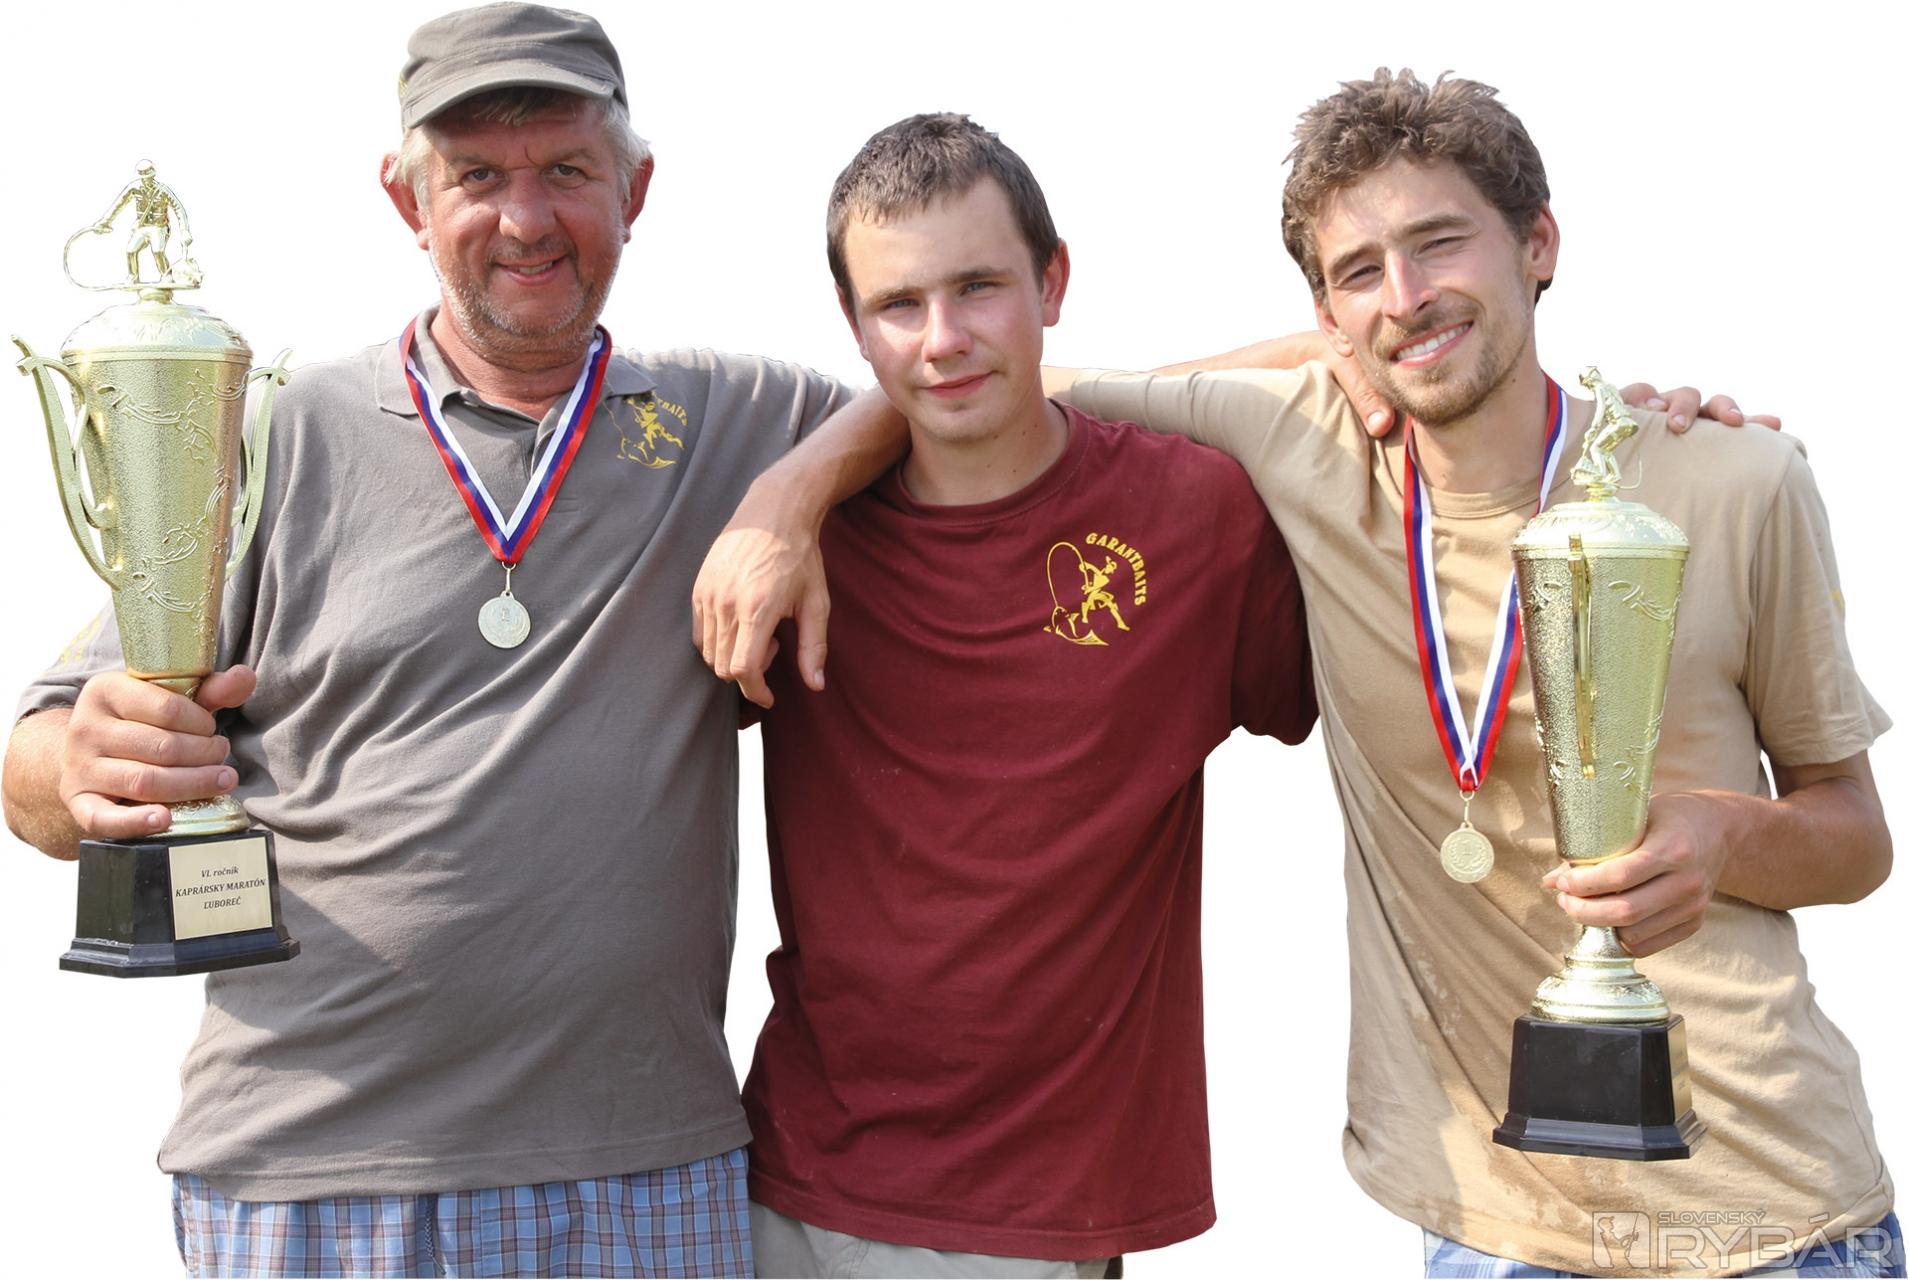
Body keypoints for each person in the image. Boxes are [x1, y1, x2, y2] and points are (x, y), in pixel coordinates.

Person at [695, 74, 1897, 1277]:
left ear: (1538, 242)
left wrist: (1722, 836)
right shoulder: (1305, 457)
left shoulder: (1729, 479)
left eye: (1439, 243)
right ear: (1324, 314)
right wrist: (787, 492)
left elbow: (1855, 833)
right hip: (1487, 1218)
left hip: (1766, 1210)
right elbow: (990, 388)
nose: (1406, 296)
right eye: (1359, 270)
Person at [0, 4, 898, 1276]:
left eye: (567, 169)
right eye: (476, 175)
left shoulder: (734, 420)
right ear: (406, 200)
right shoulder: (272, 432)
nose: (526, 219)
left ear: (636, 190)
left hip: (640, 1173)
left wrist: (794, 492)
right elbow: (34, 768)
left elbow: (959, 388)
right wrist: (83, 761)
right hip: (315, 1181)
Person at [733, 114, 1314, 1278]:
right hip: (786, 1180)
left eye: (979, 287)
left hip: (1035, 1210)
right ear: (852, 323)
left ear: (1053, 282)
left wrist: (1644, 440)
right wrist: (786, 499)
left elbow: (1353, 367)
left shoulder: (1196, 514)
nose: (942, 338)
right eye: (898, 304)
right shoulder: (792, 547)